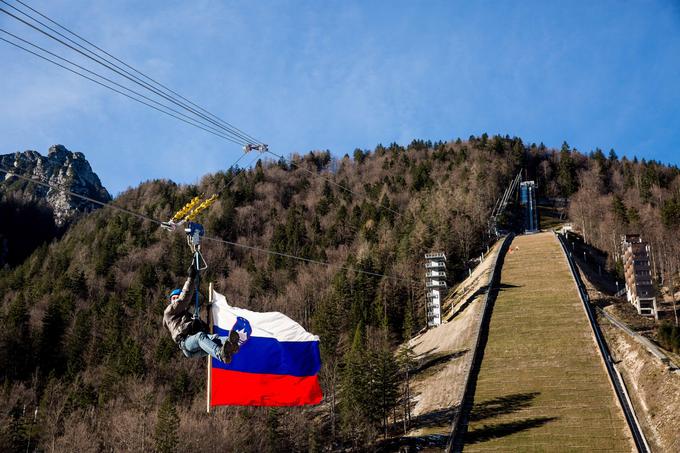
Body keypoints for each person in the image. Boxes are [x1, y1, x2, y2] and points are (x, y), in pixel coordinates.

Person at [163, 264, 250, 363]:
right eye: (174, 298)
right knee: (200, 336)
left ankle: (230, 344)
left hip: (195, 344)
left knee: (213, 338)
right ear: (170, 301)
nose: (176, 300)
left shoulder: (187, 316)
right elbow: (184, 298)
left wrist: (203, 318)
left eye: (177, 297)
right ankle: (221, 354)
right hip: (186, 343)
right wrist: (190, 278)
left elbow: (205, 329)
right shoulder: (169, 311)